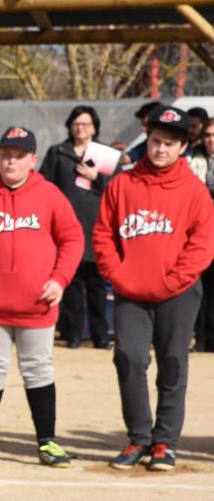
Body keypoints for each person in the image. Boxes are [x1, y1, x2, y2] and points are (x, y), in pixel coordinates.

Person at [0, 126, 83, 467]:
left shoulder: (49, 195)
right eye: (6, 154)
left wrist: (60, 279)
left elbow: (73, 239)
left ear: (32, 160)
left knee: (38, 369)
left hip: (37, 303)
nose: (11, 161)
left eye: (19, 155)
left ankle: (47, 442)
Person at [93, 105, 214, 472]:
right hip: (132, 291)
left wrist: (173, 280)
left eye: (170, 143)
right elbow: (102, 235)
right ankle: (139, 437)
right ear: (149, 141)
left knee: (173, 362)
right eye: (156, 141)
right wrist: (119, 275)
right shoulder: (123, 184)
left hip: (178, 292)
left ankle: (165, 441)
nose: (161, 149)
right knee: (128, 358)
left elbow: (203, 243)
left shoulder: (194, 190)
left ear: (182, 148)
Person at [39, 105, 113, 349]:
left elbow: (116, 189)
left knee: (95, 285)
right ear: (70, 126)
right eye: (77, 124)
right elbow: (44, 185)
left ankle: (100, 335)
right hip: (65, 228)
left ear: (94, 128)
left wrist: (96, 177)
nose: (81, 128)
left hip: (95, 227)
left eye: (86, 124)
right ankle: (71, 334)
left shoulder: (103, 153)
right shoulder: (58, 152)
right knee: (69, 283)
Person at [191, 117, 214, 352]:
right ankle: (202, 338)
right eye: (207, 135)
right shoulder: (192, 158)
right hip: (201, 232)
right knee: (202, 289)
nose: (211, 139)